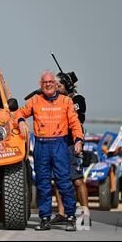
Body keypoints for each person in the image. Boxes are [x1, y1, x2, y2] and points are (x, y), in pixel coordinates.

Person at [15, 71, 83, 231]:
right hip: (41, 145)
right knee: (43, 184)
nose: (48, 84)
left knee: (64, 183)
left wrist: (78, 140)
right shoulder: (35, 101)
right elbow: (18, 112)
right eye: (45, 82)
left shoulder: (66, 101)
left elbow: (75, 123)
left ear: (55, 84)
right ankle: (45, 219)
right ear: (41, 84)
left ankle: (71, 218)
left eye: (51, 82)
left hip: (60, 145)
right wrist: (21, 122)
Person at [50, 77, 91, 228]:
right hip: (58, 144)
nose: (56, 88)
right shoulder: (55, 100)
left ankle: (85, 214)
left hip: (73, 144)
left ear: (67, 86)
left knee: (77, 179)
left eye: (59, 85)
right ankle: (62, 214)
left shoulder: (78, 99)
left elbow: (76, 115)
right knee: (59, 180)